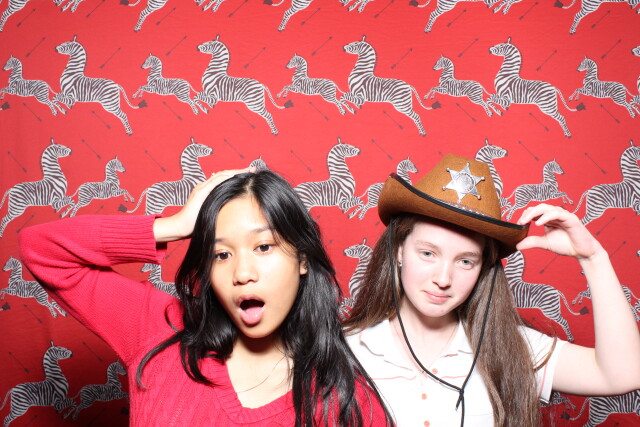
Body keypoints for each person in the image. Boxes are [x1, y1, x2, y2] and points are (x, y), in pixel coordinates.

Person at [19, 169, 393, 426]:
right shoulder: (159, 331)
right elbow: (41, 249)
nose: (242, 273)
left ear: (303, 259)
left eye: (263, 247)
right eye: (221, 254)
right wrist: (176, 225)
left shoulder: (346, 401)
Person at [344, 154, 640, 427]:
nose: (443, 279)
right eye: (428, 254)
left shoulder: (510, 347)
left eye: (465, 261)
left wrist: (593, 258)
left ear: (483, 267)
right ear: (399, 250)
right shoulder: (343, 348)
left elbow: (624, 374)